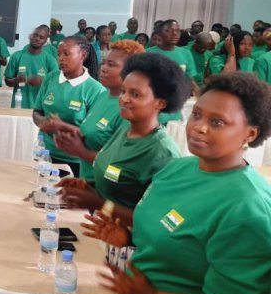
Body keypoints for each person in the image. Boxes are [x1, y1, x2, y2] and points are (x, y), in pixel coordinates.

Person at [83, 72, 271, 294]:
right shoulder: (178, 169)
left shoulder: (248, 207)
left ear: (250, 134)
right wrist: (128, 238)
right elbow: (180, 240)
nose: (199, 127)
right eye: (197, 115)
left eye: (217, 122)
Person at [58, 53, 189, 223]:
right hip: (102, 228)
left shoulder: (162, 152)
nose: (124, 99)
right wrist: (87, 187)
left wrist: (101, 204)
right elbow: (118, 184)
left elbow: (158, 220)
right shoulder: (125, 130)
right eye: (123, 91)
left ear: (160, 103)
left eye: (135, 94)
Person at [51, 40, 145, 183]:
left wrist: (81, 152)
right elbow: (95, 133)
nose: (103, 68)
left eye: (111, 65)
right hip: (86, 183)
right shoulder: (103, 96)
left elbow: (121, 168)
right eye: (104, 62)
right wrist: (63, 127)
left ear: (132, 72)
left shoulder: (129, 108)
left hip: (105, 189)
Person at [32, 37, 105, 176]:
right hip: (45, 155)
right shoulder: (50, 78)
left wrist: (60, 127)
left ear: (83, 55)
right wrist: (43, 122)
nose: (61, 58)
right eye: (58, 54)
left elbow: (94, 134)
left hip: (76, 161)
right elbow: (37, 111)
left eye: (66, 54)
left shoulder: (95, 90)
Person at [4, 25, 58, 109]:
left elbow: (56, 83)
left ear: (45, 41)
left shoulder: (50, 60)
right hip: (19, 106)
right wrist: (17, 80)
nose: (37, 39)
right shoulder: (16, 56)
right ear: (30, 36)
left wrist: (42, 81)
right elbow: (7, 81)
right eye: (35, 35)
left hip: (41, 108)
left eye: (41, 37)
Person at [146, 19, 198, 97]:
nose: (174, 33)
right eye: (169, 31)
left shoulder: (186, 53)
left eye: (177, 31)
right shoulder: (147, 53)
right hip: (154, 97)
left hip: (177, 98)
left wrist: (200, 97)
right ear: (160, 34)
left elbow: (190, 80)